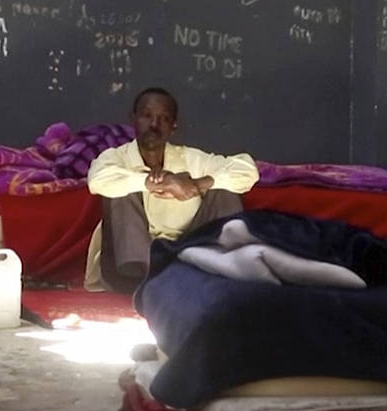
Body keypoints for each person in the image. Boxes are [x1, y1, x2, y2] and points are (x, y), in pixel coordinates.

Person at [86, 87, 259, 292]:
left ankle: (217, 269)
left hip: (188, 254)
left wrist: (197, 184)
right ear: (133, 119)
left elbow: (247, 170)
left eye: (164, 118)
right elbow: (96, 180)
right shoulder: (116, 157)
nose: (154, 125)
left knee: (225, 187)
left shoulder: (190, 159)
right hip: (133, 268)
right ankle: (143, 283)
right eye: (147, 116)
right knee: (117, 189)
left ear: (174, 126)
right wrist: (155, 182)